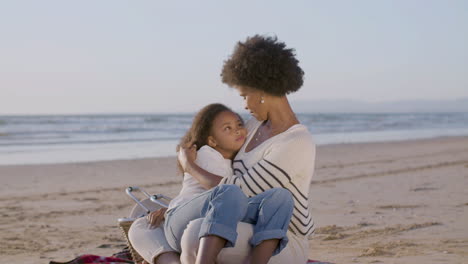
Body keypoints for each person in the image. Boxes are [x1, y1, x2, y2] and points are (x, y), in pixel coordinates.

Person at [177, 35, 316, 264]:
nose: (243, 105)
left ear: (261, 90)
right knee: (153, 219)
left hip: (278, 238)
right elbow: (221, 166)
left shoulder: (296, 142)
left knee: (194, 234)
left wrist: (189, 166)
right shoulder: (251, 127)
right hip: (240, 222)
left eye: (244, 96)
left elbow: (240, 191)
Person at [128, 103, 294, 264]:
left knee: (281, 197)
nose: (237, 130)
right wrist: (190, 166)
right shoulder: (206, 154)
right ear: (213, 141)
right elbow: (220, 190)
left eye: (238, 124)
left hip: (212, 216)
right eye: (227, 128)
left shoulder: (233, 163)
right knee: (229, 192)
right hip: (181, 222)